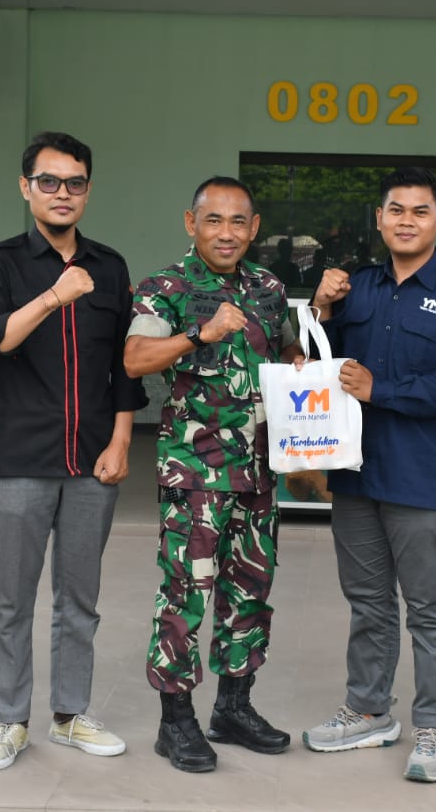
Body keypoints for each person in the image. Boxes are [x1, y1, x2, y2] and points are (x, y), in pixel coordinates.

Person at [0, 132, 147, 771]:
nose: (61, 193)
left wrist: (121, 440)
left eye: (74, 183)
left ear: (88, 191)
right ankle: (9, 721)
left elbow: (125, 366)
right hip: (20, 459)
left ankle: (70, 715)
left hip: (92, 462)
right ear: (26, 188)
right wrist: (51, 297)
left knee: (80, 599)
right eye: (48, 181)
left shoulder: (110, 266)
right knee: (12, 599)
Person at [302, 167, 436, 783]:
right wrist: (321, 308)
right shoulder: (355, 286)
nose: (407, 220)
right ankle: (368, 710)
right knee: (368, 602)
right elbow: (314, 359)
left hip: (424, 477)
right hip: (357, 473)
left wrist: (380, 390)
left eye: (420, 211)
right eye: (396, 210)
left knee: (431, 607)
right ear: (380, 219)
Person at [125, 176, 303, 773]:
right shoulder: (165, 287)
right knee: (186, 595)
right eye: (214, 220)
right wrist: (199, 333)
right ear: (191, 223)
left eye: (238, 221)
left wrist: (301, 363)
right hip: (196, 473)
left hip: (258, 471)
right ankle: (175, 721)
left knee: (250, 590)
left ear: (254, 228)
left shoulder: (269, 288)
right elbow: (135, 359)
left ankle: (233, 707)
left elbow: (284, 353)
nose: (226, 233)